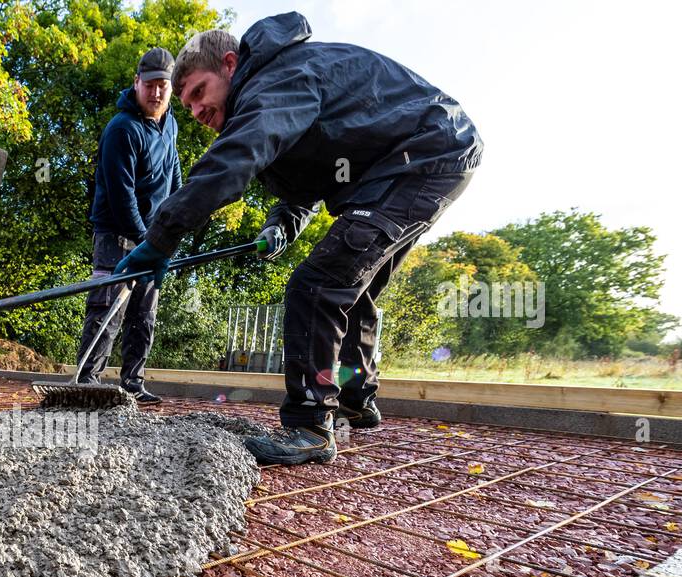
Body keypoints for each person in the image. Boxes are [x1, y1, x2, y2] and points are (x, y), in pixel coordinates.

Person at [114, 14, 482, 463]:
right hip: (417, 160)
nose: (195, 111)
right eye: (187, 105)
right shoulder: (274, 91)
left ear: (230, 65)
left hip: (423, 155)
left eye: (198, 93)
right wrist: (280, 226)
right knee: (354, 287)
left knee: (318, 285)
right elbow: (306, 186)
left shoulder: (276, 80)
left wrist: (159, 239)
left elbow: (235, 160)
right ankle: (355, 400)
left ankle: (310, 427)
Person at [76, 47, 183, 405]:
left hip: (152, 238)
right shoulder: (122, 129)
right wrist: (148, 241)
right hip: (116, 234)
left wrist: (174, 227)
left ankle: (132, 383)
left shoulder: (170, 125)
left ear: (171, 89)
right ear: (137, 83)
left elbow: (175, 176)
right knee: (107, 308)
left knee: (144, 311)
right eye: (149, 85)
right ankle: (86, 381)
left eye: (163, 87)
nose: (156, 93)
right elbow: (122, 198)